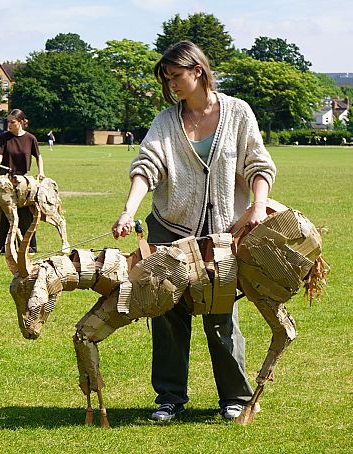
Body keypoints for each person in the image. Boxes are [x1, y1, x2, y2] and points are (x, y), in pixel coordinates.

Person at [112, 41, 276, 422]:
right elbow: (146, 166)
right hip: (169, 229)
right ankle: (169, 398)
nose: (171, 86)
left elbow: (258, 164)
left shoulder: (237, 112)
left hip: (221, 235)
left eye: (176, 76)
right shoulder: (166, 121)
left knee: (221, 314)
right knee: (166, 311)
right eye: (167, 79)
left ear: (198, 71)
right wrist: (128, 209)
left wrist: (257, 205)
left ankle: (235, 398)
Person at [0, 109, 45, 253]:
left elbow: (38, 156)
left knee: (24, 214)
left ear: (21, 122)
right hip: (4, 180)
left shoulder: (30, 138)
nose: (9, 124)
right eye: (8, 121)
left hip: (22, 180)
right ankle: (1, 247)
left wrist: (41, 172)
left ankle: (28, 247)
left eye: (12, 122)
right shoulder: (4, 137)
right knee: (4, 214)